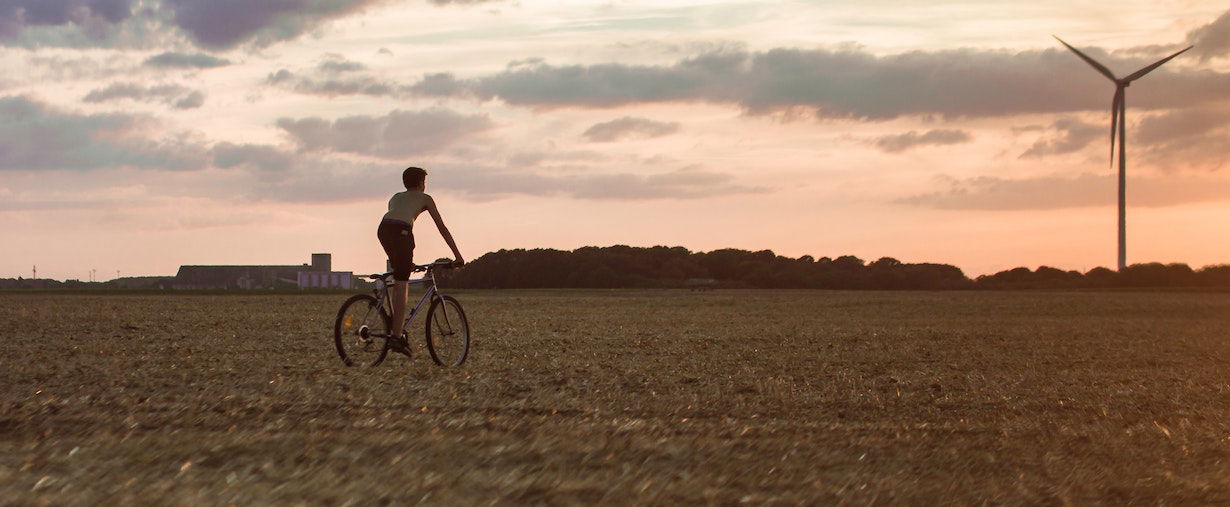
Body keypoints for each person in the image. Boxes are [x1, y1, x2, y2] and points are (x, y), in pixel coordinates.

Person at [377, 166, 464, 355]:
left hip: (383, 229)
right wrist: (458, 255)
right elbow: (442, 228)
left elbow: (394, 220)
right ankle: (397, 337)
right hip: (401, 231)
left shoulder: (395, 197)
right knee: (402, 283)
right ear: (421, 183)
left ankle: (393, 323)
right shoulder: (425, 198)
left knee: (400, 273)